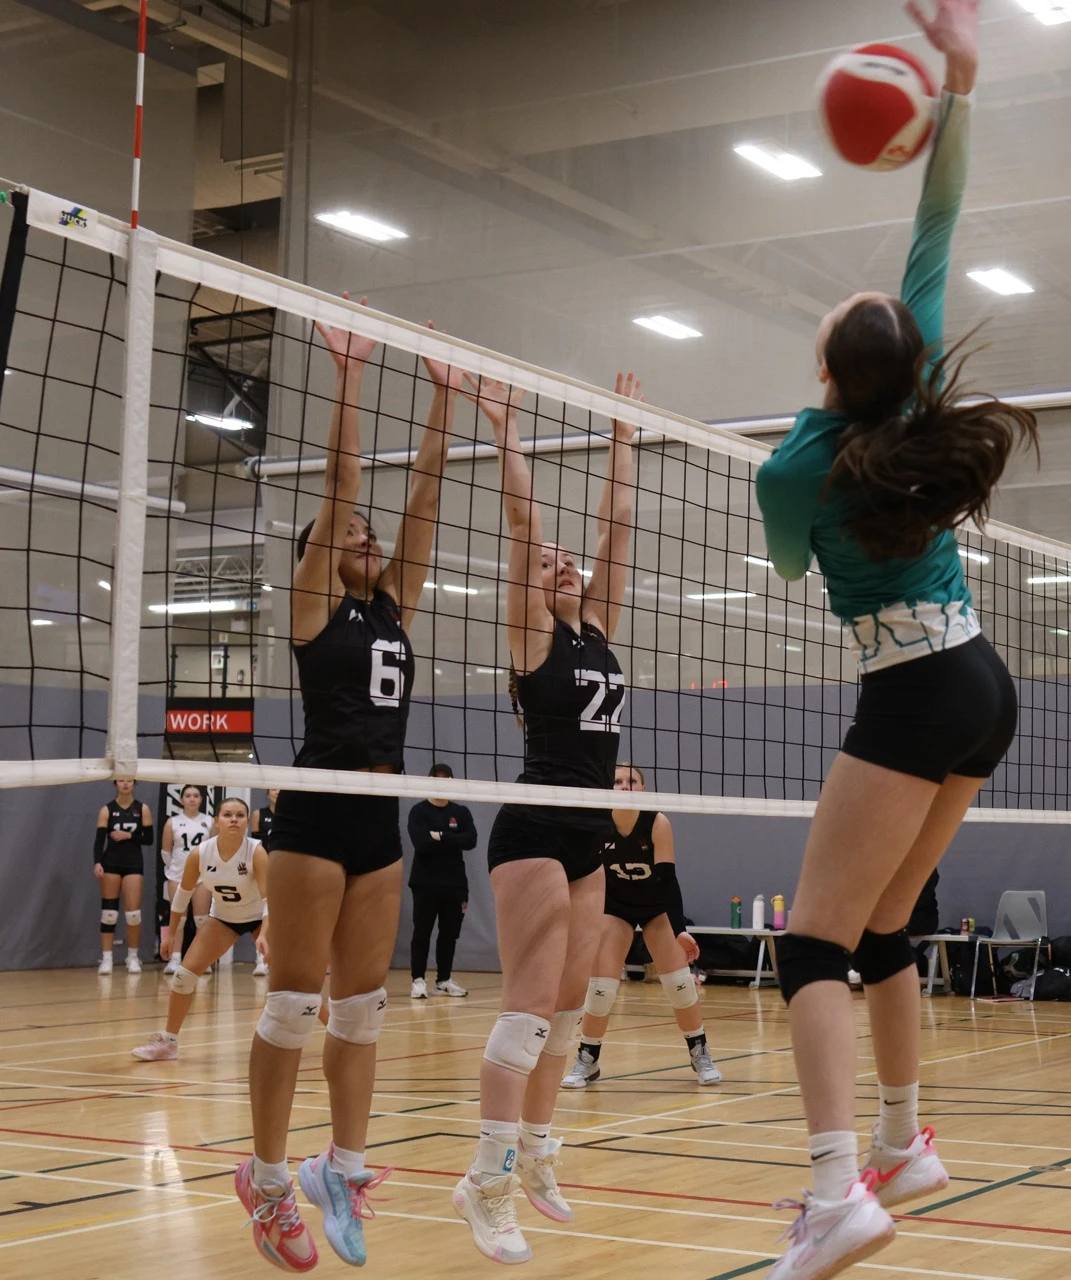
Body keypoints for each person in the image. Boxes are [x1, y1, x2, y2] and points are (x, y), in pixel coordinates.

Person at [753, 8, 1036, 1274]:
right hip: (983, 681)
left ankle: (834, 1192)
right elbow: (939, 221)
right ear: (899, 351)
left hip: (912, 689)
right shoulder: (917, 394)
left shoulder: (793, 469)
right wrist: (960, 83)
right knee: (883, 929)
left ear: (826, 357)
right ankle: (905, 1138)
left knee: (812, 941)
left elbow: (787, 565)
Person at [237, 312, 457, 1272]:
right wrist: (350, 376)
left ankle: (346, 1167)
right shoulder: (313, 604)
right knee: (293, 1006)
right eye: (348, 533)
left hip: (380, 819)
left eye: (369, 534)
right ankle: (267, 1176)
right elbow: (342, 486)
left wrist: (448, 393)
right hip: (316, 814)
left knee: (363, 1009)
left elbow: (427, 498)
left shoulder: (393, 604)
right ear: (320, 552)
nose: (366, 535)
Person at [450, 368, 641, 1265]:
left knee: (572, 1006)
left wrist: (621, 443)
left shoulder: (598, 629)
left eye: (573, 563)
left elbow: (620, 531)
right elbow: (525, 531)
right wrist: (504, 432)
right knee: (528, 1008)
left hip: (587, 834)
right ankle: (483, 1180)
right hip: (533, 823)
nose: (565, 563)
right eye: (554, 565)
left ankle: (533, 1152)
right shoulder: (532, 637)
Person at [563, 763, 720, 1091]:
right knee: (602, 988)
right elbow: (583, 879)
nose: (624, 786)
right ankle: (587, 1060)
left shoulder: (657, 822)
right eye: (617, 781)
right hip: (614, 909)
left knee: (680, 983)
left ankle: (700, 1052)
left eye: (631, 781)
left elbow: (668, 881)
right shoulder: (596, 823)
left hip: (655, 908)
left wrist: (679, 929)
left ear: (643, 789)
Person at [131, 798, 268, 1061]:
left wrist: (265, 934)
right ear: (216, 820)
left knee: (294, 980)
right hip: (224, 918)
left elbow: (269, 901)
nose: (234, 819)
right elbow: (182, 896)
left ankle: (334, 1028)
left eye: (240, 815)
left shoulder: (256, 851)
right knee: (183, 976)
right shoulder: (201, 853)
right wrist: (171, 935)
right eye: (227, 814)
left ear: (247, 822)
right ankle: (168, 1043)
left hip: (260, 917)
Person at [407, 763, 478, 1000]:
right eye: (438, 781)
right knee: (422, 932)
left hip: (455, 884)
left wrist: (440, 836)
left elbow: (470, 840)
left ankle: (443, 981)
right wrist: (452, 840)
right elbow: (421, 844)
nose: (442, 786)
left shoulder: (461, 812)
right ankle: (418, 980)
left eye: (447, 781)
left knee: (449, 934)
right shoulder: (418, 812)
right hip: (425, 883)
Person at [94, 777, 153, 974]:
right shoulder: (107, 809)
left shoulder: (142, 809)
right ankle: (107, 958)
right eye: (121, 781)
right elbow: (99, 840)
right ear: (115, 783)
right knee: (109, 914)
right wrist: (97, 862)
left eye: (129, 781)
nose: (125, 784)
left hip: (133, 864)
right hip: (111, 862)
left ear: (135, 783)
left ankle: (133, 956)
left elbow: (149, 839)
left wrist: (129, 836)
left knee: (133, 914)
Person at [159, 785, 213, 974]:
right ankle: (175, 959)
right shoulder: (172, 822)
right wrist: (176, 868)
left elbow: (214, 849)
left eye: (195, 795)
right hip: (177, 876)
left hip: (202, 878)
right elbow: (165, 852)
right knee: (178, 920)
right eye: (188, 795)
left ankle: (201, 960)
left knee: (201, 920)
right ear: (181, 799)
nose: (192, 799)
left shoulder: (209, 821)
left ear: (201, 799)